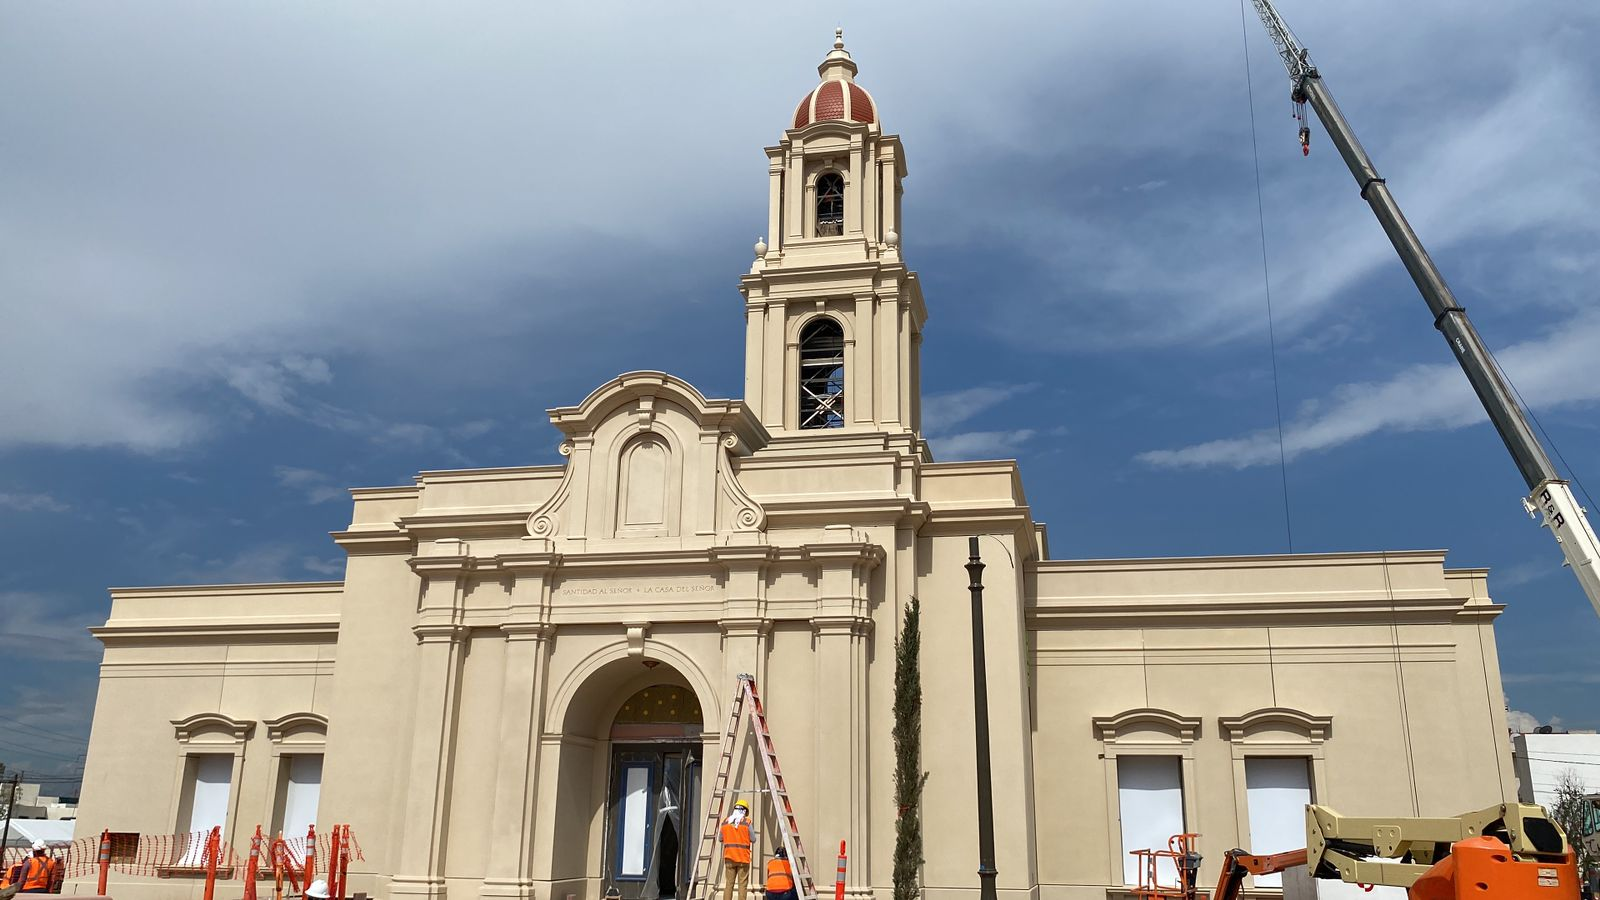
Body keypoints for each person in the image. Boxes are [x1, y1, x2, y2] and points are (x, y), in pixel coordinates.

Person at [719, 800, 753, 900]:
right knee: (742, 885)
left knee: (729, 885)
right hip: (743, 859)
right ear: (745, 811)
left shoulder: (726, 822)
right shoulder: (747, 823)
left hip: (729, 858)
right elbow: (754, 839)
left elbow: (721, 838)